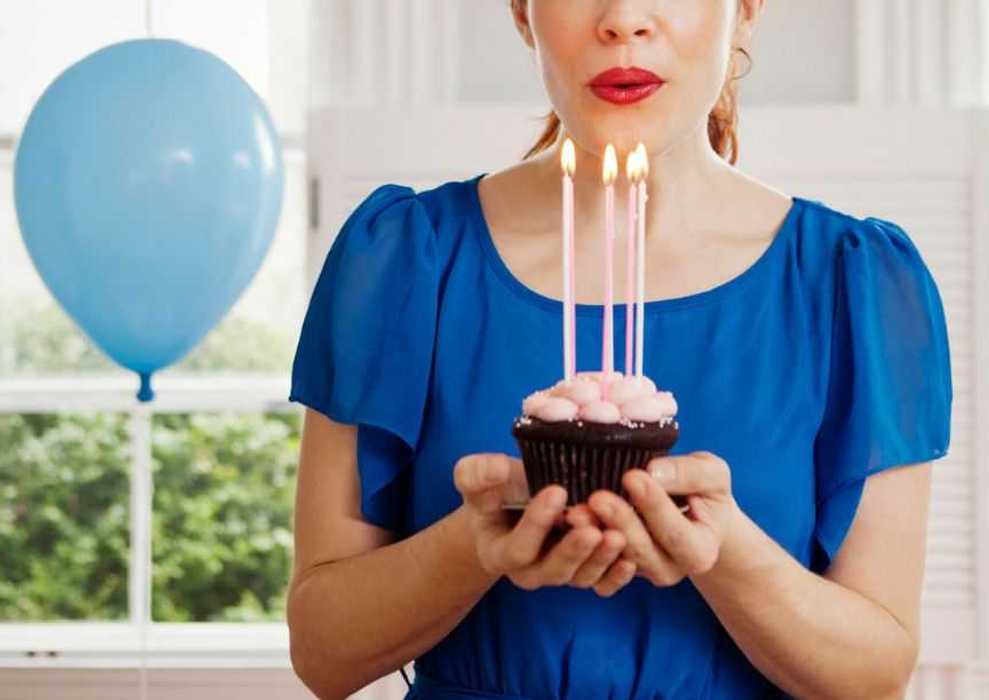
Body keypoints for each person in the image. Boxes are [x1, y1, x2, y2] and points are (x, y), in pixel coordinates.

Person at [285, 1, 952, 698]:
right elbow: (324, 654)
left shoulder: (855, 279)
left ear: (745, 12)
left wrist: (720, 550)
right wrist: (473, 545)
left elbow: (874, 676)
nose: (624, 20)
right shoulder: (403, 260)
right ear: (522, 13)